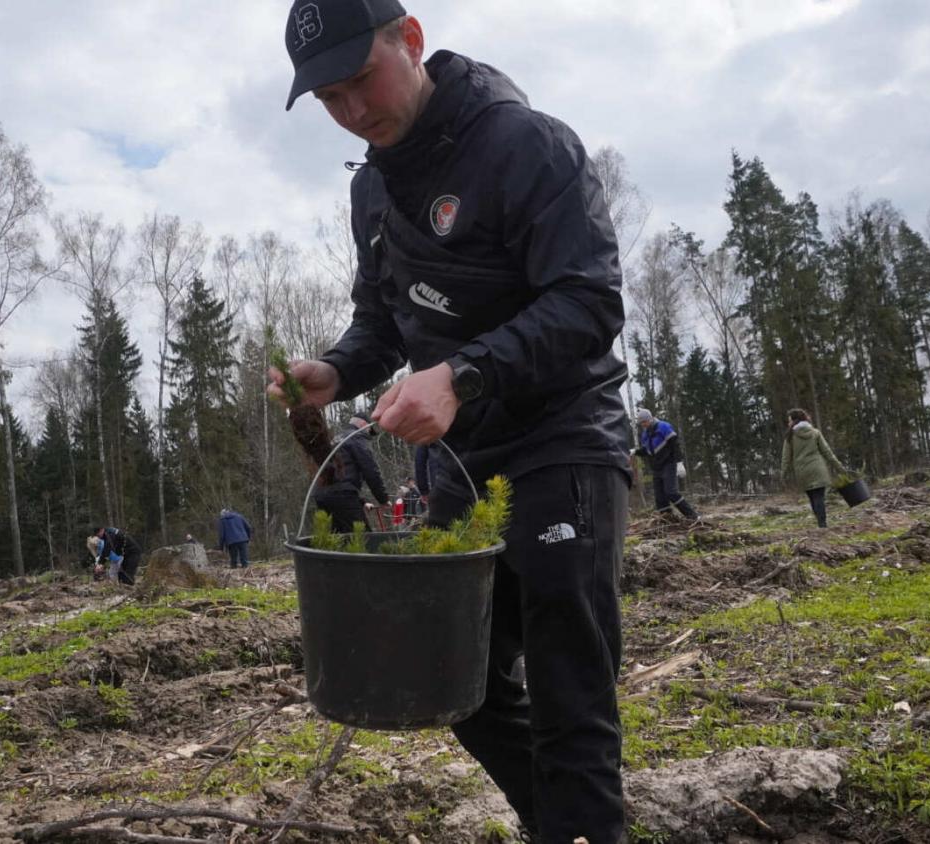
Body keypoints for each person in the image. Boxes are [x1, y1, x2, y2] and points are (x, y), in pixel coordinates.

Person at [273, 3, 631, 840]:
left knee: (569, 696)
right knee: (452, 677)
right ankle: (565, 825)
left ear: (410, 40)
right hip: (462, 469)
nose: (353, 111)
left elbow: (589, 299)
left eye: (361, 79)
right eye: (329, 98)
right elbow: (385, 322)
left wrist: (463, 377)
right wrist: (336, 370)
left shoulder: (524, 145)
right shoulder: (372, 189)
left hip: (561, 446)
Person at [312, 411, 391, 532]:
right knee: (363, 538)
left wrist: (361, 501)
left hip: (321, 495)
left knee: (339, 539)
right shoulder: (357, 438)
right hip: (342, 496)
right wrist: (383, 499)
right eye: (369, 431)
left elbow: (339, 477)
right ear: (364, 424)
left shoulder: (336, 439)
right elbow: (370, 470)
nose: (369, 435)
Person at [780, 408, 847, 528]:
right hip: (818, 469)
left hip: (802, 471)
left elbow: (786, 458)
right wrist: (840, 468)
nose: (788, 423)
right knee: (819, 497)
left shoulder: (790, 436)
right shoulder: (815, 433)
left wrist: (783, 474)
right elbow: (828, 453)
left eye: (789, 420)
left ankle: (820, 523)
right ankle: (822, 524)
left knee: (812, 497)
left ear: (795, 421)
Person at [632, 408, 699, 521]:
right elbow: (647, 450)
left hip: (669, 464)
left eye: (644, 422)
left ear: (650, 419)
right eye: (641, 423)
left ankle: (692, 515)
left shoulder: (664, 427)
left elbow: (675, 445)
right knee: (660, 497)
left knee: (671, 492)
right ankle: (667, 519)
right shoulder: (645, 434)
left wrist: (679, 463)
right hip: (656, 467)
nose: (643, 425)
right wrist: (635, 451)